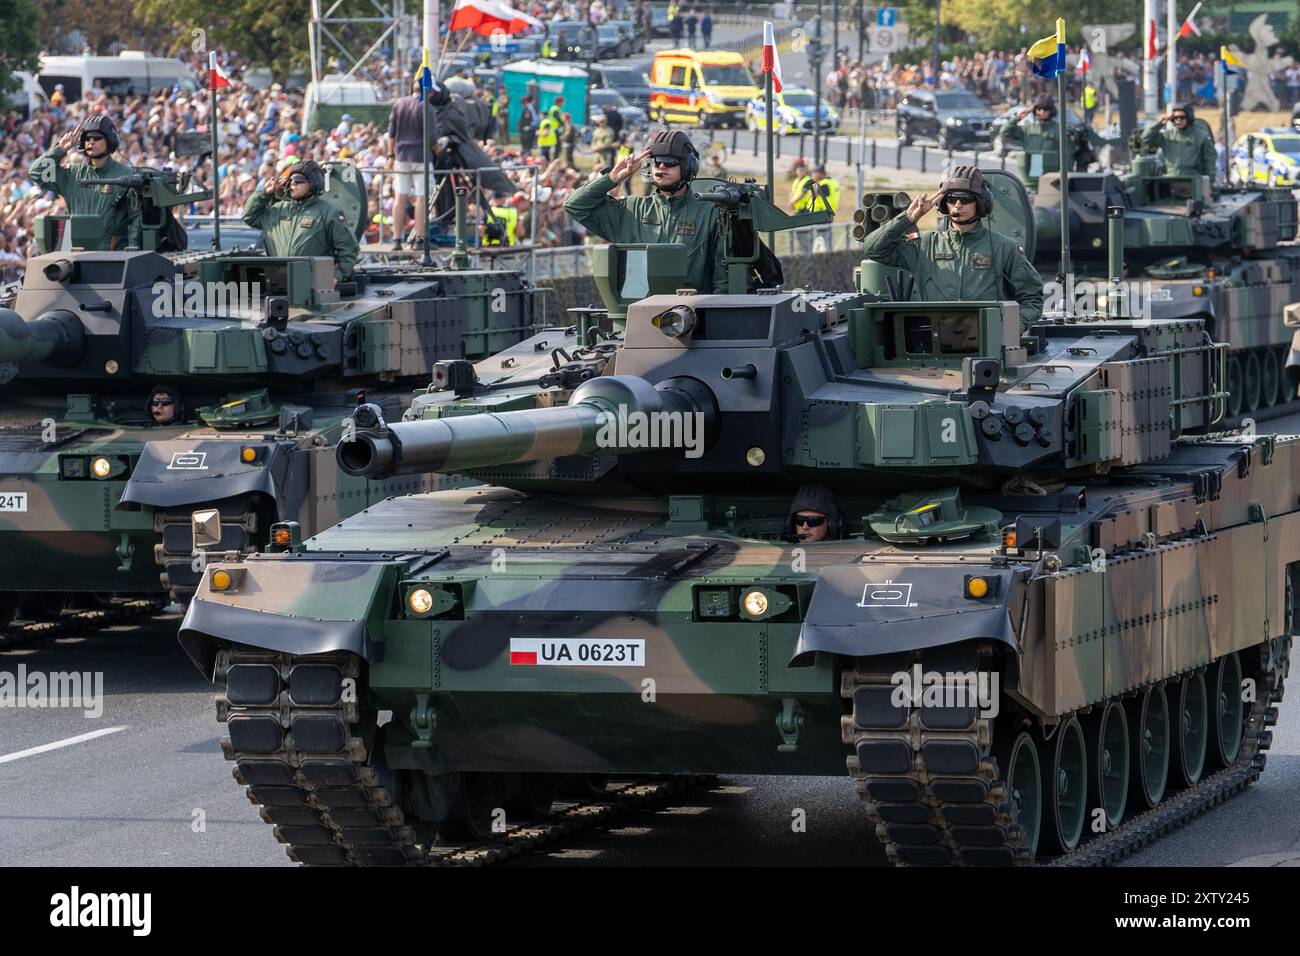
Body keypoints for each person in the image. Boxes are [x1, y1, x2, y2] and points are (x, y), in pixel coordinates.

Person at [859, 165, 1043, 328]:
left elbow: (1032, 298)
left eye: (966, 199)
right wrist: (908, 218)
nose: (958, 205)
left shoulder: (1004, 248)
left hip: (989, 345)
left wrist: (1010, 330)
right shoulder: (924, 245)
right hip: (935, 347)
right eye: (952, 198)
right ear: (943, 204)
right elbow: (873, 249)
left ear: (981, 203)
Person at [564, 129, 727, 294]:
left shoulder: (711, 213)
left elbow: (723, 280)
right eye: (657, 161)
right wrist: (612, 178)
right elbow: (574, 205)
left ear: (688, 166)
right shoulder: (630, 210)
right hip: (638, 311)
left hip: (690, 312)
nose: (662, 166)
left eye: (670, 161)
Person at [30, 115, 143, 251]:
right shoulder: (72, 174)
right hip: (78, 252)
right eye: (87, 139)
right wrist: (60, 149)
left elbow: (135, 217)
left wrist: (132, 248)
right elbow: (36, 172)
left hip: (113, 254)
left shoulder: (126, 174)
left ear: (110, 140)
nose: (91, 142)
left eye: (97, 138)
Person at [242, 160, 359, 284]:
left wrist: (337, 276)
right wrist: (264, 193)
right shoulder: (277, 210)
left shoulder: (328, 213)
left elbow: (348, 250)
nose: (292, 184)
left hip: (311, 285)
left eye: (298, 180)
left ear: (314, 183)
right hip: (277, 285)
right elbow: (249, 217)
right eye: (290, 180)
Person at [387, 81, 433, 249]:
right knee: (421, 197)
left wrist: (390, 154)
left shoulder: (399, 104)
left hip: (400, 156)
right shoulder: (425, 105)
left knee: (400, 196)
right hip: (421, 157)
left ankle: (396, 239)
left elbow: (390, 133)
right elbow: (432, 137)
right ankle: (420, 239)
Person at [1138, 103, 1217, 177]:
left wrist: (1210, 182)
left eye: (1182, 118)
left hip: (1194, 179)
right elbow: (1145, 138)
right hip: (1172, 177)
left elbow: (1210, 160)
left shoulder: (1200, 136)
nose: (1178, 120)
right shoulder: (1167, 135)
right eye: (1175, 118)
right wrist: (1160, 124)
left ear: (1188, 117)